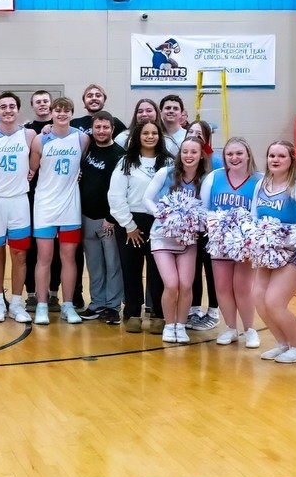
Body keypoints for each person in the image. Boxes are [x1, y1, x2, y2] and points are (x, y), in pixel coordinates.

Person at [250, 141, 296, 364]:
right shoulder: (262, 183)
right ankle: (283, 343)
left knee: (274, 300)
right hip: (270, 250)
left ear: (292, 159)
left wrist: (285, 237)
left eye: (281, 156)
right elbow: (254, 215)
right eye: (271, 155)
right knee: (258, 297)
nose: (275, 159)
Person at [108, 120, 173, 334]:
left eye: (155, 133)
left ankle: (157, 313)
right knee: (131, 269)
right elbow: (116, 196)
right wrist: (129, 225)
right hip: (131, 222)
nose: (150, 136)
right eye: (145, 133)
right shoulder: (126, 162)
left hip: (159, 222)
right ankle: (133, 313)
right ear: (138, 136)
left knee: (158, 270)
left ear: (160, 137)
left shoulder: (169, 163)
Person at [29, 97, 90, 325]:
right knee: (44, 257)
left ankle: (67, 305)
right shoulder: (40, 139)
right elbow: (33, 169)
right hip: (45, 204)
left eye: (66, 110)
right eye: (58, 110)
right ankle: (43, 305)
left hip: (70, 205)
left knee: (69, 258)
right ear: (52, 112)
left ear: (72, 113)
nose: (62, 114)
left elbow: (82, 165)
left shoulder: (82, 138)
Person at [0, 92, 36, 323]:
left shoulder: (29, 135)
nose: (8, 110)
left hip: (19, 200)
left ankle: (17, 303)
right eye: (3, 106)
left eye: (12, 106)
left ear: (18, 110)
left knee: (20, 253)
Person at [143, 136, 209, 344]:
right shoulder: (166, 173)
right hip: (162, 236)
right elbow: (146, 199)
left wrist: (195, 223)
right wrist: (164, 215)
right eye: (185, 151)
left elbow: (206, 210)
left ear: (201, 155)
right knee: (171, 284)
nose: (189, 156)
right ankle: (169, 324)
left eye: (194, 152)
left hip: (187, 239)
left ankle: (180, 326)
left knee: (186, 285)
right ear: (180, 154)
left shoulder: (205, 180)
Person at [200, 137, 261, 348]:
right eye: (229, 154)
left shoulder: (259, 180)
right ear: (224, 157)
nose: (234, 158)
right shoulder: (214, 177)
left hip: (245, 242)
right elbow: (204, 208)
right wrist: (215, 224)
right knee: (222, 287)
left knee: (243, 287)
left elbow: (261, 212)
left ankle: (250, 329)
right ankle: (230, 328)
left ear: (248, 155)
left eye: (239, 153)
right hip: (219, 240)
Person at [78, 111, 126, 325]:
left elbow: (123, 190)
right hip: (87, 216)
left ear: (112, 130)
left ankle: (113, 306)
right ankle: (97, 303)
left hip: (109, 220)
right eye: (98, 127)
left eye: (106, 127)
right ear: (93, 129)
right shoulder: (87, 149)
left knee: (112, 263)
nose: (101, 131)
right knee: (94, 264)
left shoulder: (119, 155)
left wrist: (111, 217)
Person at [24, 90, 61, 312]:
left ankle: (54, 293)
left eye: (45, 101)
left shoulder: (64, 129)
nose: (42, 105)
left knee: (55, 248)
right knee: (32, 247)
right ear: (33, 105)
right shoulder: (27, 132)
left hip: (57, 197)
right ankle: (32, 293)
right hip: (30, 195)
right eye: (37, 102)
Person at [185, 119, 223, 331]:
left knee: (211, 268)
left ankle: (213, 311)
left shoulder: (216, 163)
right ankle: (194, 310)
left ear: (207, 138)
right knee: (193, 268)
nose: (195, 136)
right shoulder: (184, 161)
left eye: (200, 134)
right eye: (191, 131)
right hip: (190, 227)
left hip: (211, 226)